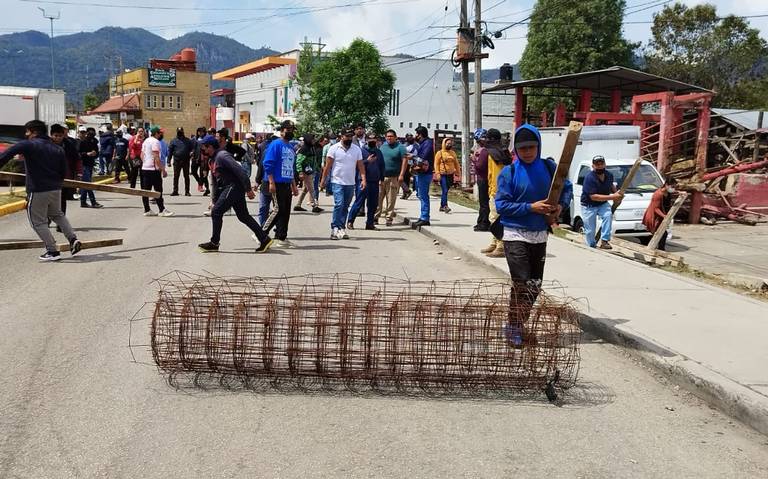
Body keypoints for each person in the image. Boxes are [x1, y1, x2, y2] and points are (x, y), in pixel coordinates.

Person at [495, 123, 572, 347]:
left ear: (538, 145)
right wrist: (531, 207)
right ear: (516, 150)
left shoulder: (549, 168)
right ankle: (514, 327)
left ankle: (517, 323)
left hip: (539, 234)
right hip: (514, 234)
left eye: (531, 147)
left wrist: (560, 207)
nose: (527, 152)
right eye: (523, 148)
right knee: (522, 282)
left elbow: (565, 188)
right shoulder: (508, 173)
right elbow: (501, 205)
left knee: (535, 284)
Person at [0, 120, 82, 261]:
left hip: (38, 189)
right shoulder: (58, 148)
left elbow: (4, 156)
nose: (26, 135)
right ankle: (73, 239)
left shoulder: (28, 144)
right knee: (57, 215)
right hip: (56, 188)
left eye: (27, 132)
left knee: (37, 222)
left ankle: (52, 251)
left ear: (33, 131)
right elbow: (64, 172)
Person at [196, 135, 273, 254]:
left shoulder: (222, 156)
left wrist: (248, 189)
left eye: (204, 147)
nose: (202, 150)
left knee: (216, 212)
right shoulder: (212, 159)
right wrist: (214, 200)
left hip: (233, 187)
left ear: (210, 147)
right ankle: (264, 239)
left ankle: (214, 243)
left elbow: (240, 170)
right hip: (230, 188)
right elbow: (215, 182)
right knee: (243, 216)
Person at [321, 127, 366, 240]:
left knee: (345, 206)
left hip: (350, 182)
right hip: (337, 181)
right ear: (341, 137)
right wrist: (323, 180)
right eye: (347, 136)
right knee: (339, 204)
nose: (349, 138)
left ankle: (341, 227)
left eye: (351, 136)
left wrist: (363, 179)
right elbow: (328, 166)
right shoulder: (334, 148)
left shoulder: (356, 149)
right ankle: (334, 228)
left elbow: (360, 166)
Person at [261, 120, 299, 247]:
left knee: (285, 212)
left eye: (292, 130)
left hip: (286, 183)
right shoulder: (276, 144)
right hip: (275, 182)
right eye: (288, 130)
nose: (290, 132)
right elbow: (268, 163)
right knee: (278, 209)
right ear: (282, 131)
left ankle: (281, 237)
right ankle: (261, 233)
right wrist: (271, 182)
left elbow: (291, 167)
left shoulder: (291, 147)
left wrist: (294, 185)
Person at [581, 155, 622, 249]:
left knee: (608, 215)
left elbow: (611, 185)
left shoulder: (609, 175)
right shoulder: (589, 178)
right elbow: (593, 197)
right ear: (593, 166)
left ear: (605, 164)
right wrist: (612, 197)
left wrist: (616, 193)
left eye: (601, 164)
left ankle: (605, 241)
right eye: (597, 164)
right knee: (590, 230)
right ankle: (591, 246)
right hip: (589, 205)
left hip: (602, 204)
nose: (600, 166)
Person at [481, 128, 511, 257]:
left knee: (495, 218)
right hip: (497, 189)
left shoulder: (492, 153)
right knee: (493, 217)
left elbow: (495, 174)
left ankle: (500, 245)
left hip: (497, 190)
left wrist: (494, 190)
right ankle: (494, 242)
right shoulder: (503, 152)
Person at [348, 132, 385, 231]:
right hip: (363, 181)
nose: (372, 141)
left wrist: (382, 179)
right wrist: (367, 161)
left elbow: (382, 166)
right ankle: (350, 221)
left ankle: (370, 223)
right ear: (367, 140)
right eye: (370, 139)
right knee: (359, 202)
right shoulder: (361, 151)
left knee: (373, 204)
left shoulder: (379, 152)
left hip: (375, 181)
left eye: (374, 139)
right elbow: (356, 165)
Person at [375, 129, 408, 226]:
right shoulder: (382, 147)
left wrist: (401, 174)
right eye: (387, 136)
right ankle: (376, 216)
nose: (389, 138)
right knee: (378, 198)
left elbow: (405, 161)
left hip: (393, 178)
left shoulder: (400, 147)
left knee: (391, 199)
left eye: (391, 136)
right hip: (381, 177)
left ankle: (389, 218)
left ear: (395, 137)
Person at [140, 126, 174, 217]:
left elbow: (142, 155)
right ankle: (162, 210)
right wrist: (163, 169)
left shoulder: (146, 141)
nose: (162, 134)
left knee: (145, 191)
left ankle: (147, 209)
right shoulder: (156, 142)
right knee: (158, 190)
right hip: (153, 170)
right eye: (160, 133)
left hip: (145, 168)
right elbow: (156, 157)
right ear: (156, 133)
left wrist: (146, 163)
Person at [50, 124, 81, 219]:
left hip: (65, 178)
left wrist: (79, 173)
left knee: (62, 201)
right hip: (49, 178)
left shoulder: (69, 145)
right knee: (49, 201)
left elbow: (77, 159)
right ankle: (47, 219)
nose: (58, 138)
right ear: (51, 135)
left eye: (60, 136)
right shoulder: (47, 145)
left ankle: (61, 223)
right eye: (56, 135)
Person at [642, 176, 677, 251]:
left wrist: (680, 192)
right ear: (666, 185)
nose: (673, 188)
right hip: (655, 217)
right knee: (662, 234)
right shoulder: (658, 194)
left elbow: (674, 192)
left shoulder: (667, 192)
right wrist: (664, 216)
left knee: (659, 234)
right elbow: (656, 209)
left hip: (661, 217)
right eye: (672, 186)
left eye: (675, 187)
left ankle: (655, 248)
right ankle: (660, 250)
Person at [294, 133, 324, 213]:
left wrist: (317, 168)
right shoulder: (304, 149)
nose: (314, 140)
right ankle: (314, 205)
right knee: (311, 189)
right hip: (305, 172)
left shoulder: (311, 148)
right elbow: (298, 161)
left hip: (310, 171)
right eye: (312, 139)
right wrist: (300, 172)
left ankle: (298, 205)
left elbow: (313, 160)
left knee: (306, 189)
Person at [412, 126, 435, 227]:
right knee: (420, 195)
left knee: (423, 195)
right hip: (421, 173)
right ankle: (423, 216)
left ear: (420, 134)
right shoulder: (423, 144)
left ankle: (425, 218)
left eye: (416, 134)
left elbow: (422, 158)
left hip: (425, 173)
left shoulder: (427, 144)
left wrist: (412, 156)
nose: (415, 136)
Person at [78, 127, 103, 208]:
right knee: (88, 184)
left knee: (85, 184)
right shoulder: (81, 142)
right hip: (83, 164)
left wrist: (95, 153)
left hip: (90, 164)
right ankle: (93, 202)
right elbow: (78, 154)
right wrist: (86, 154)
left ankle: (83, 202)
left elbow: (97, 152)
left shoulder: (94, 142)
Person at [435, 137, 461, 213]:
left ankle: (442, 205)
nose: (449, 145)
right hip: (442, 174)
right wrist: (437, 173)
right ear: (444, 144)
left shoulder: (453, 153)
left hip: (450, 174)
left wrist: (458, 173)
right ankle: (445, 206)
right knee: (445, 190)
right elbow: (436, 164)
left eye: (450, 144)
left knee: (446, 190)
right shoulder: (439, 153)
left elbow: (456, 163)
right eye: (448, 143)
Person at [472, 128, 490, 231]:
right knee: (484, 202)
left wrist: (474, 160)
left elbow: (480, 166)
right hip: (485, 178)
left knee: (483, 202)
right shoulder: (487, 150)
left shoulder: (484, 151)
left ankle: (483, 223)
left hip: (483, 178)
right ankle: (481, 221)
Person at [168, 127, 195, 196]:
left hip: (186, 161)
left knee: (186, 176)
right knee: (176, 176)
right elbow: (170, 152)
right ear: (177, 132)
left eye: (181, 131)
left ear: (183, 132)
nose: (180, 133)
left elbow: (192, 148)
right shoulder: (173, 141)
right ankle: (175, 191)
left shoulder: (188, 140)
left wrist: (192, 152)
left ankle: (187, 191)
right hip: (177, 161)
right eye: (179, 131)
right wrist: (168, 161)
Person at [191, 126, 209, 194]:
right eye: (199, 131)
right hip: (195, 158)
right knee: (193, 171)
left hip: (203, 159)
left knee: (203, 174)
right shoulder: (195, 139)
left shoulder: (206, 139)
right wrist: (192, 152)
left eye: (201, 131)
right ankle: (199, 182)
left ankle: (202, 186)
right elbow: (192, 147)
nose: (200, 133)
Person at [402, 133, 417, 199]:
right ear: (406, 138)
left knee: (407, 179)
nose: (410, 138)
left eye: (411, 136)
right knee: (403, 179)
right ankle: (405, 192)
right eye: (409, 137)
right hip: (404, 163)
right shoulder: (403, 146)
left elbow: (417, 154)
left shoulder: (416, 146)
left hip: (412, 164)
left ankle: (407, 192)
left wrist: (412, 157)